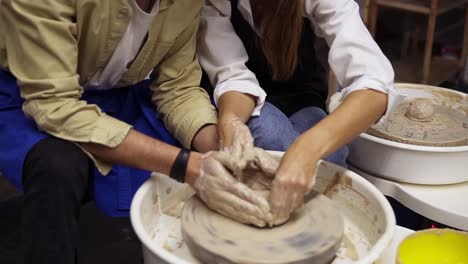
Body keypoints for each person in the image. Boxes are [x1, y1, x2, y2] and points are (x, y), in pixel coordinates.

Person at [0, 0, 273, 263]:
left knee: (188, 153)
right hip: (27, 91)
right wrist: (188, 166)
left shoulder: (188, 3)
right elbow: (54, 105)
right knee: (58, 166)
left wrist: (221, 147)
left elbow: (176, 88)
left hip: (115, 92)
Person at [198, 0, 405, 221]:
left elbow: (374, 83)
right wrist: (231, 121)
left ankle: (311, 224)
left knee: (331, 157)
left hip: (300, 92)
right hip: (241, 98)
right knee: (271, 137)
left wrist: (307, 149)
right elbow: (233, 76)